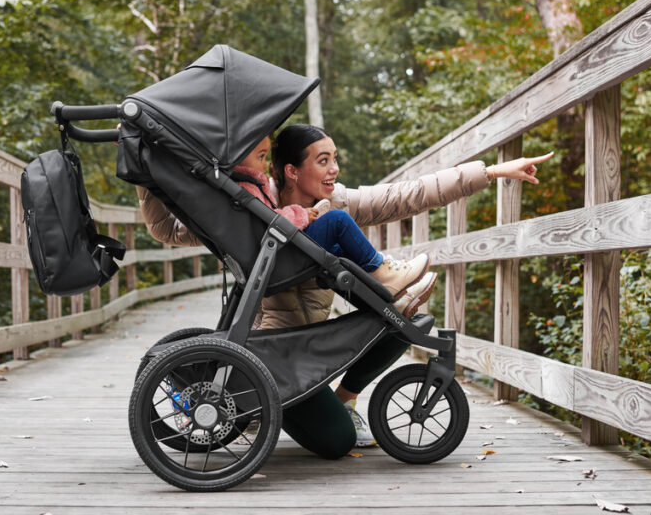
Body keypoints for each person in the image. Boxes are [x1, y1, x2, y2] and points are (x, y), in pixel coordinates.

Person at [137, 123, 553, 454]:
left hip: (313, 349)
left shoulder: (336, 204)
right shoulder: (246, 213)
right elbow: (165, 229)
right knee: (337, 443)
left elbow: (406, 195)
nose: (334, 169)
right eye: (323, 160)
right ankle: (267, 409)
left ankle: (344, 396)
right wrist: (147, 173)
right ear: (291, 171)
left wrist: (492, 172)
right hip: (272, 353)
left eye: (335, 158)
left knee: (406, 317)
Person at [232, 135, 434, 306]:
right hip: (277, 260)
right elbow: (266, 223)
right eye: (260, 156)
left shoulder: (242, 189)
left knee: (336, 251)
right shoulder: (247, 189)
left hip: (273, 258)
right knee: (337, 219)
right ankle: (384, 272)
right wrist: (301, 214)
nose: (265, 164)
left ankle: (385, 293)